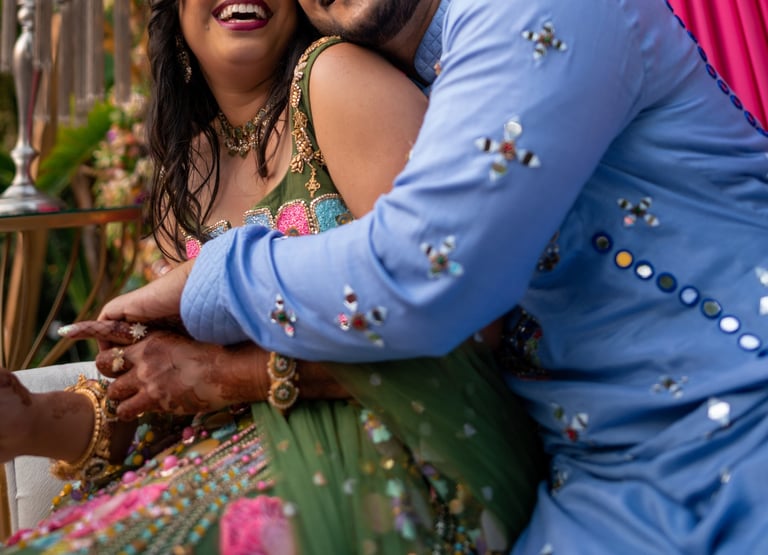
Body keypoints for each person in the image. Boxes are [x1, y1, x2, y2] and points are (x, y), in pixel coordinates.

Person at [92, 0, 768, 553]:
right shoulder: (424, 83)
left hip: (742, 433)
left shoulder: (537, 12)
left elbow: (428, 273)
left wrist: (211, 282)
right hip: (601, 491)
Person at [0, 0, 543, 553]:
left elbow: (469, 321)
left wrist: (244, 374)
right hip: (231, 452)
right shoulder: (185, 175)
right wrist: (33, 419)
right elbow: (177, 387)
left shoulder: (334, 78)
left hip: (409, 449)